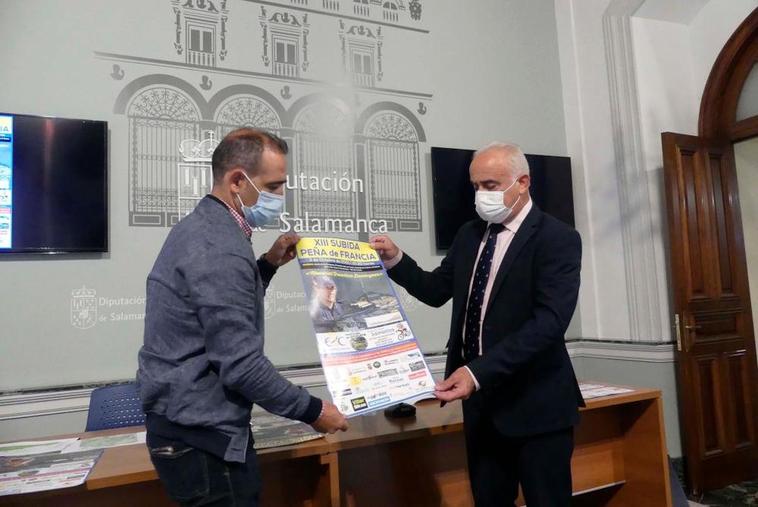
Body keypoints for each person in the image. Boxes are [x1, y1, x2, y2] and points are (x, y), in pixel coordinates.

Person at [137, 128, 348, 506]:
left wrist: (266, 266)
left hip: (186, 430)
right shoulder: (220, 247)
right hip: (204, 443)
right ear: (238, 180)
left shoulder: (205, 227)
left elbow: (216, 311)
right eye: (274, 186)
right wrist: (314, 411)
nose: (280, 198)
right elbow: (241, 365)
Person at [370, 142, 583, 507]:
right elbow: (437, 290)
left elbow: (548, 324)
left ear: (523, 182)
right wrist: (396, 259)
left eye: (490, 185)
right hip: (483, 411)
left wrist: (476, 373)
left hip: (537, 408)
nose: (481, 195)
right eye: (475, 186)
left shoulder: (557, 238)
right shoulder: (470, 234)